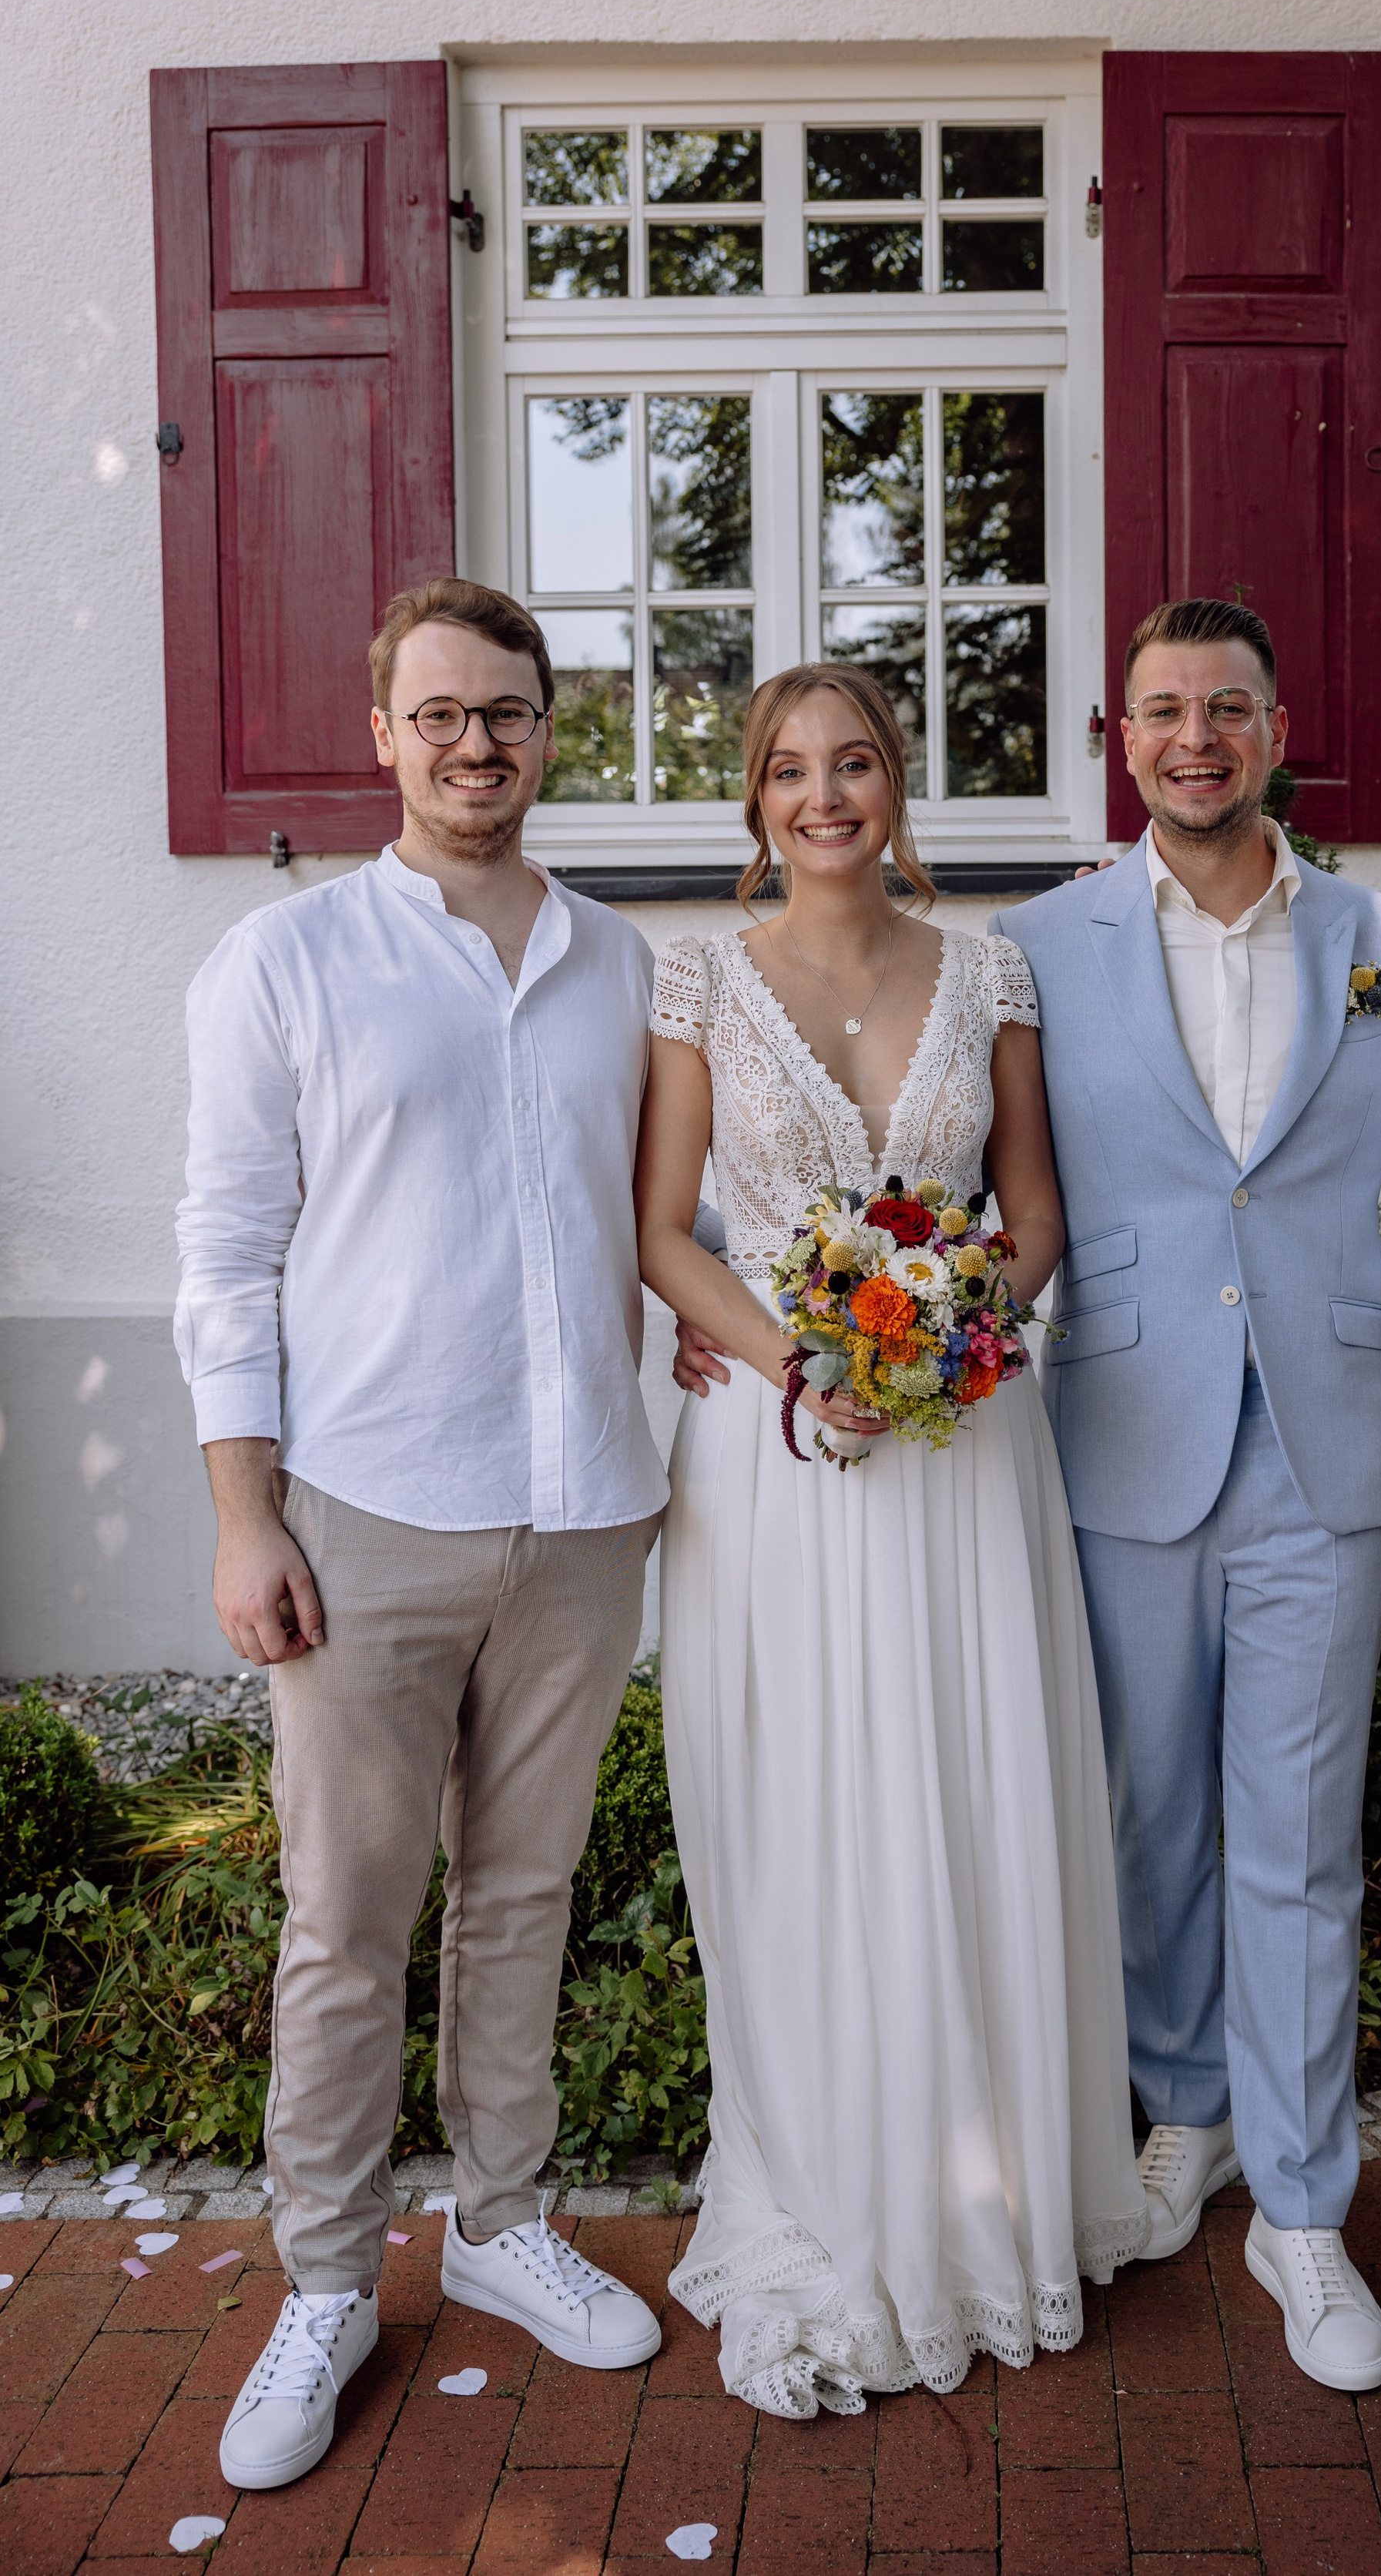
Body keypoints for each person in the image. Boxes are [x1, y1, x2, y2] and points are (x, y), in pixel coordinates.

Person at [175, 579, 667, 2496]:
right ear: (382, 733)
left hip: (584, 1514)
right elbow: (223, 1253)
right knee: (345, 1922)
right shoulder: (284, 962)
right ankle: (320, 2276)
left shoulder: (623, 963)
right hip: (364, 1510)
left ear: (554, 734)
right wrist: (242, 1511)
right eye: (443, 714)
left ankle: (497, 2217)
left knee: (526, 1900)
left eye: (513, 714)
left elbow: (652, 1217)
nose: (480, 744)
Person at [639, 662, 1148, 2422]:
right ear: (755, 799)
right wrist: (813, 1367)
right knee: (806, 1796)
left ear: (898, 781)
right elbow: (663, 1224)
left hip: (964, 1447)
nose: (824, 794)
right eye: (789, 769)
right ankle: (834, 2162)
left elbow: (1037, 1213)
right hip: (778, 1453)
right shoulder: (693, 974)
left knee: (967, 1773)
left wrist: (937, 1340)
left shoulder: (990, 965)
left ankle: (988, 2182)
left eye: (853, 761)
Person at [977, 596, 1381, 2393]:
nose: (1191, 736)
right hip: (1126, 1430)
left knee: (1295, 1833)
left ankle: (1304, 2205)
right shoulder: (1035, 943)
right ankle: (1186, 2105)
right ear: (1120, 735)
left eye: (1223, 706)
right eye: (1159, 710)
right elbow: (940, 1148)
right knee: (1151, 1812)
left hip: (1328, 1441)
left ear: (1275, 724)